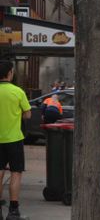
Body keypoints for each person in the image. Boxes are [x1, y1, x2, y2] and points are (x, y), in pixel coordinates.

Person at [0, 60, 31, 220]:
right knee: (15, 173)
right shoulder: (18, 92)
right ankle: (13, 211)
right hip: (14, 139)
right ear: (10, 73)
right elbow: (28, 114)